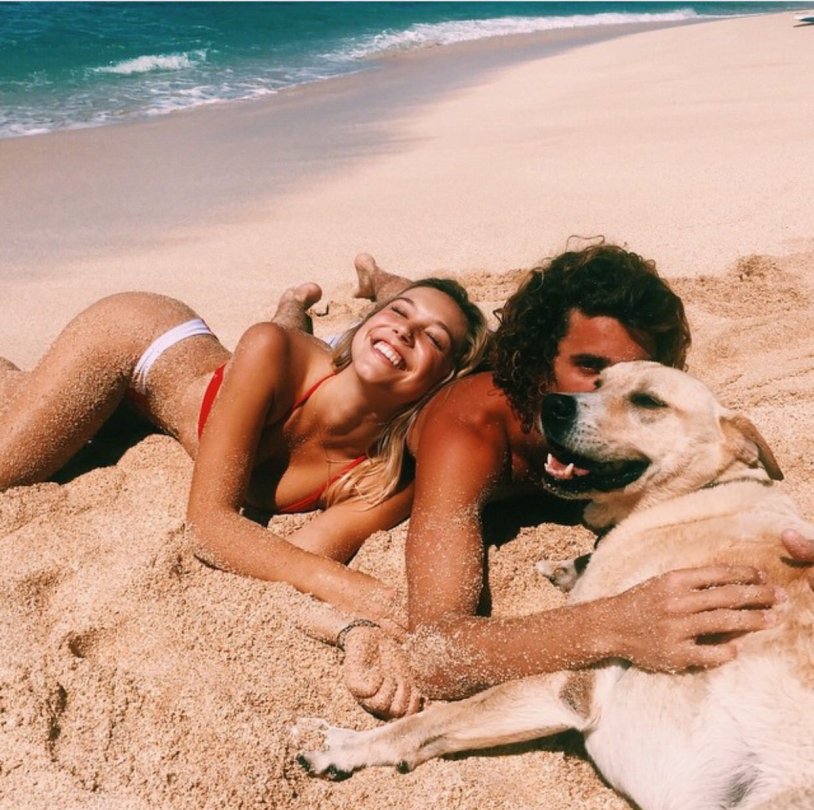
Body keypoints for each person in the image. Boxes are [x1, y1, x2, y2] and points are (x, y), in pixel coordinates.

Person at [318, 245, 790, 718]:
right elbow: (436, 653)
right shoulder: (466, 431)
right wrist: (616, 625)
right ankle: (342, 293)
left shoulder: (629, 426)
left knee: (447, 316)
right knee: (410, 321)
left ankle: (379, 278)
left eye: (634, 379)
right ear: (541, 361)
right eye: (591, 369)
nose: (607, 397)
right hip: (415, 386)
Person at [0, 269, 489, 638]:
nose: (405, 331)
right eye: (398, 312)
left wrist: (349, 616)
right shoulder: (273, 350)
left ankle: (310, 298)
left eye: (433, 337)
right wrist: (354, 588)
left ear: (445, 382)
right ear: (368, 322)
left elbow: (297, 559)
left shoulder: (384, 478)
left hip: (192, 398)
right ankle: (327, 294)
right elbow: (209, 527)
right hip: (140, 343)